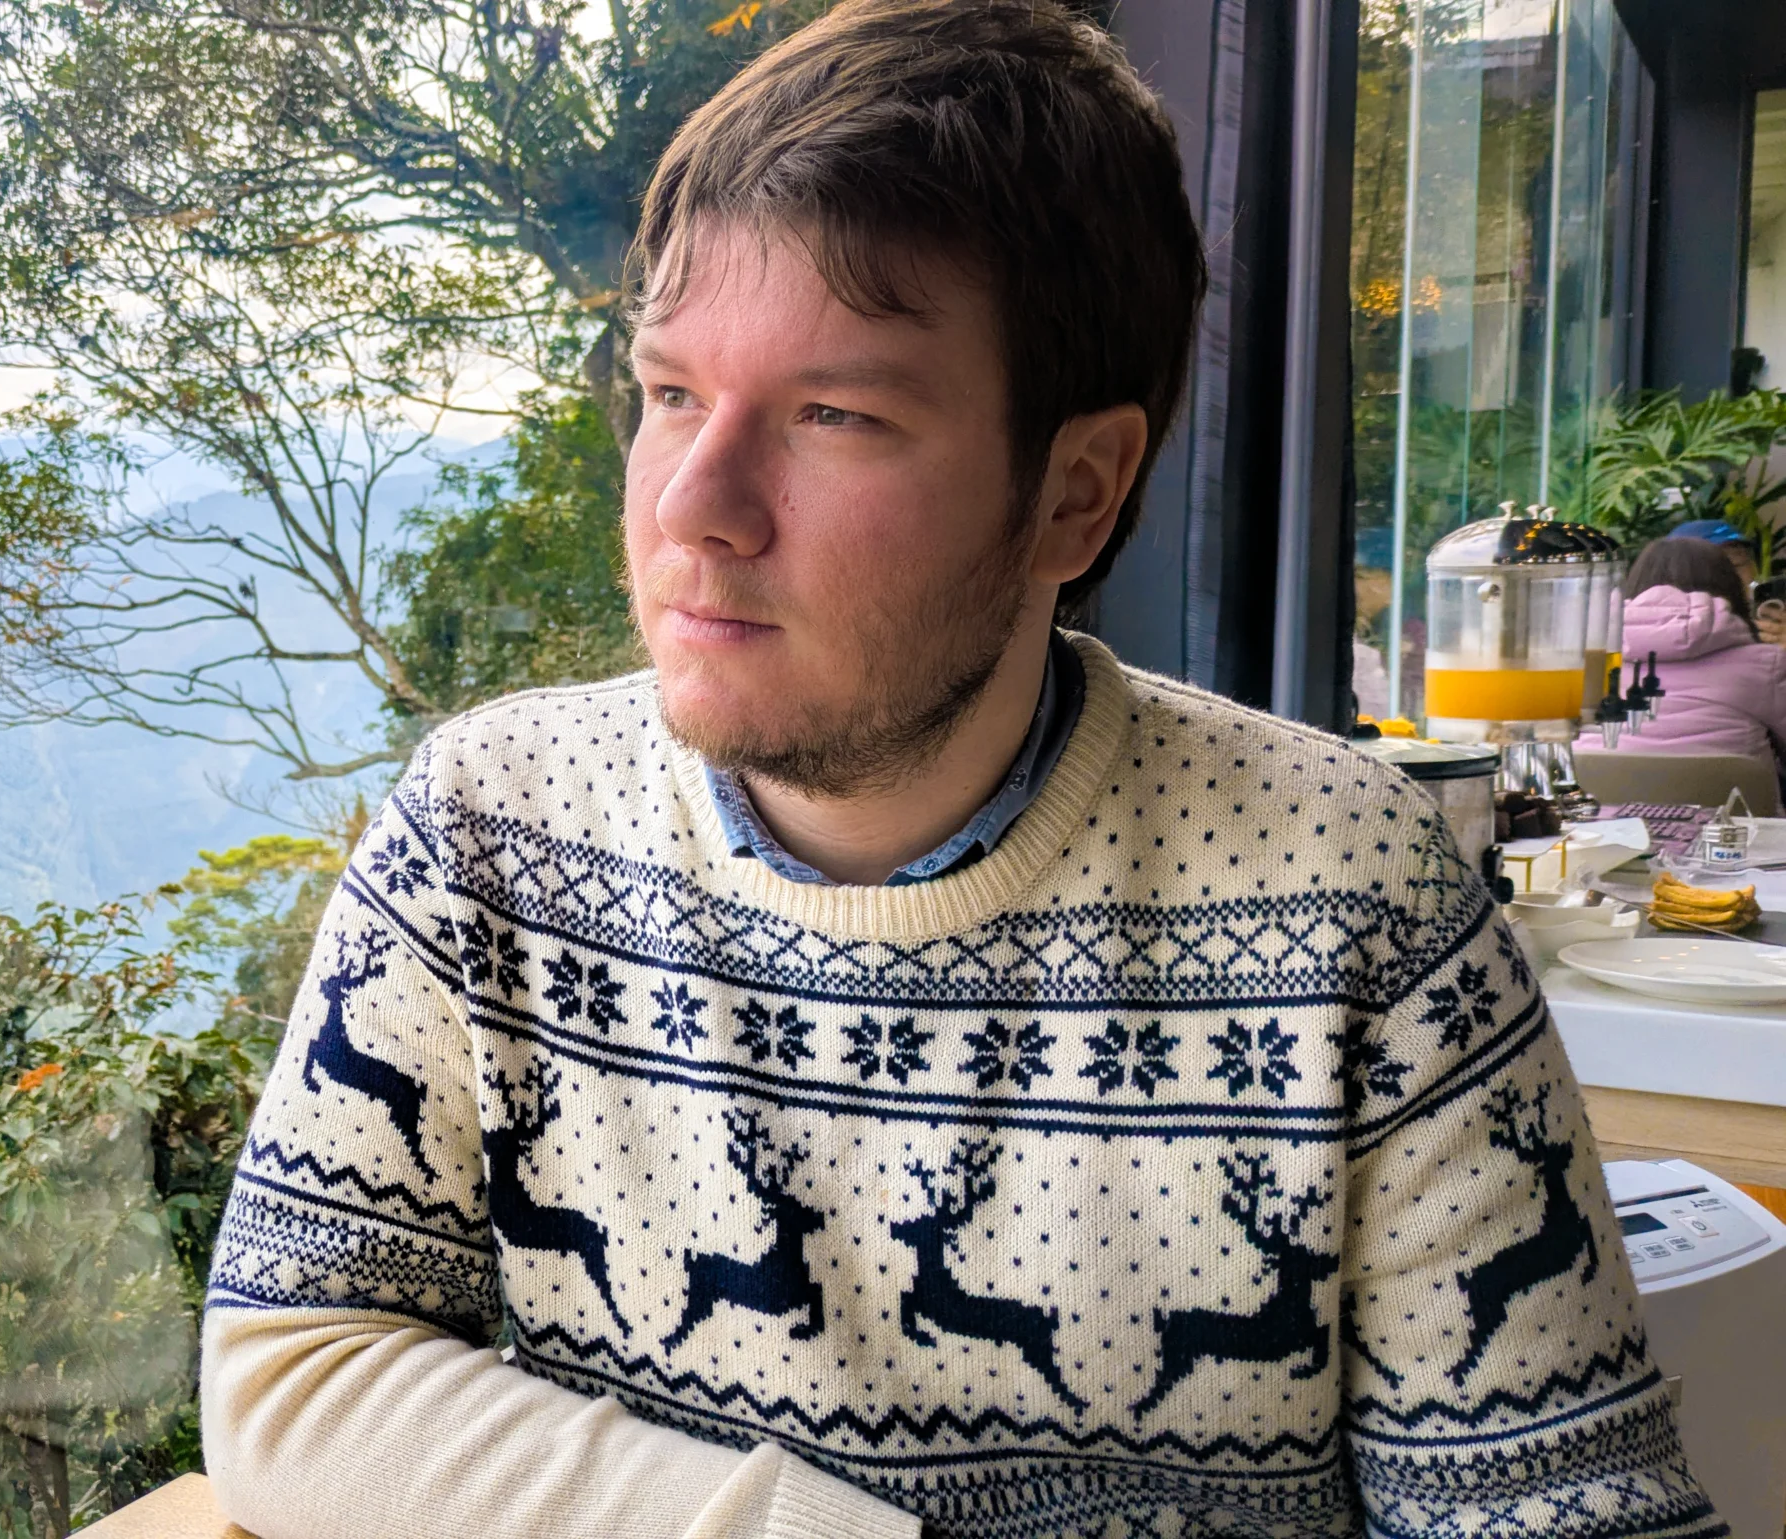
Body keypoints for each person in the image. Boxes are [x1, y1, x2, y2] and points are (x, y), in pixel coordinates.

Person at [200, 5, 1720, 1537]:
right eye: (670, 394)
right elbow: (294, 1368)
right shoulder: (490, 825)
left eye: (830, 415)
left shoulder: (1352, 894)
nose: (694, 507)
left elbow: (1569, 1501)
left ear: (1076, 494)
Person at [1586, 535, 1786, 785]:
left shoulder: (1590, 660)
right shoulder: (1767, 664)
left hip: (1603, 819)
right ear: (1731, 590)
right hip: (1730, 819)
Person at [1669, 518, 1786, 645]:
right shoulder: (1665, 639)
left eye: (1737, 563)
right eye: (1714, 567)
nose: (1729, 577)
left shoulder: (1771, 621)